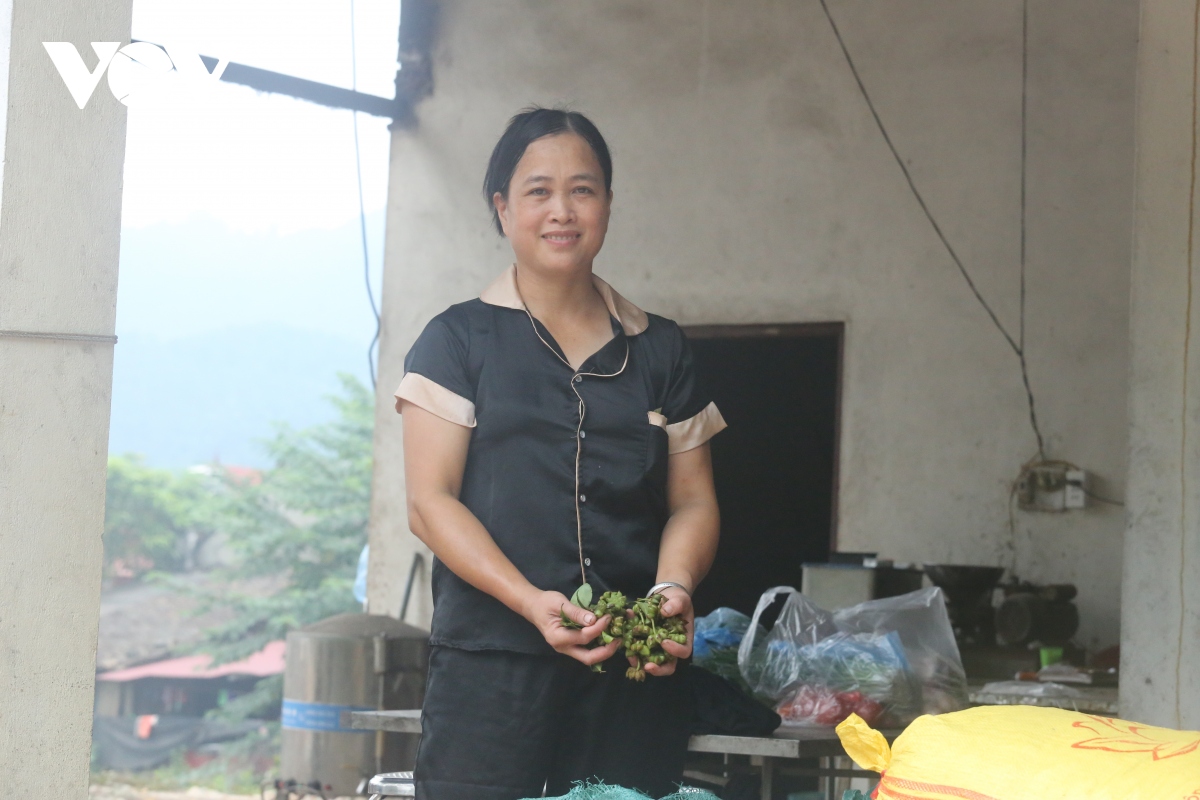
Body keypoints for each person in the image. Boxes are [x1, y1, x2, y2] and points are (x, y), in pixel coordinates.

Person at [394, 107, 726, 800]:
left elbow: (692, 500)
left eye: (584, 189)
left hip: (628, 669)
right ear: (502, 207)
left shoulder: (658, 348)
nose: (562, 210)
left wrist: (673, 588)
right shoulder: (457, 342)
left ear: (607, 202)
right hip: (490, 669)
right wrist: (529, 601)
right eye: (538, 190)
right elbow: (430, 505)